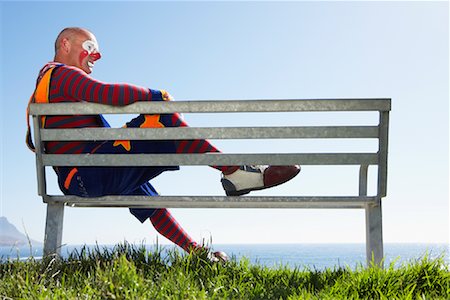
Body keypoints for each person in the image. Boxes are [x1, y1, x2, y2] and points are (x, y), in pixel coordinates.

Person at [26, 27, 300, 261]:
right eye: (89, 47)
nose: (96, 55)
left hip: (82, 176)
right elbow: (105, 93)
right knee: (161, 118)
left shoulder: (43, 91)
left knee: (150, 199)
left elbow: (33, 142)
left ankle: (196, 253)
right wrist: (155, 95)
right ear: (65, 44)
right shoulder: (59, 74)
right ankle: (234, 171)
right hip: (90, 172)